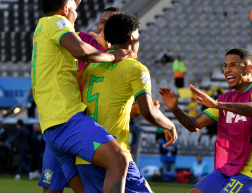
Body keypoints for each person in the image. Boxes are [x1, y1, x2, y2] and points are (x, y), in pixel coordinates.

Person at [32, 0, 132, 193]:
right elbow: (80, 50)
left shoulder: (44, 28)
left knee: (60, 188)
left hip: (54, 124)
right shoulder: (64, 28)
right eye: (103, 22)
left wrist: (69, 8)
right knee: (118, 160)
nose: (75, 18)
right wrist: (112, 56)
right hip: (68, 120)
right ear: (65, 10)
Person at [76, 12, 177, 192]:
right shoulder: (135, 68)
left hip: (85, 155)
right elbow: (148, 111)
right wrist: (169, 125)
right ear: (131, 38)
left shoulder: (91, 67)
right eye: (138, 37)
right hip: (114, 153)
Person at [159, 48, 252, 193]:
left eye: (233, 65)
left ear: (248, 69)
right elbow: (194, 125)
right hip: (232, 167)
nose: (227, 70)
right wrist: (175, 109)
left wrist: (218, 105)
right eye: (225, 66)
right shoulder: (226, 98)